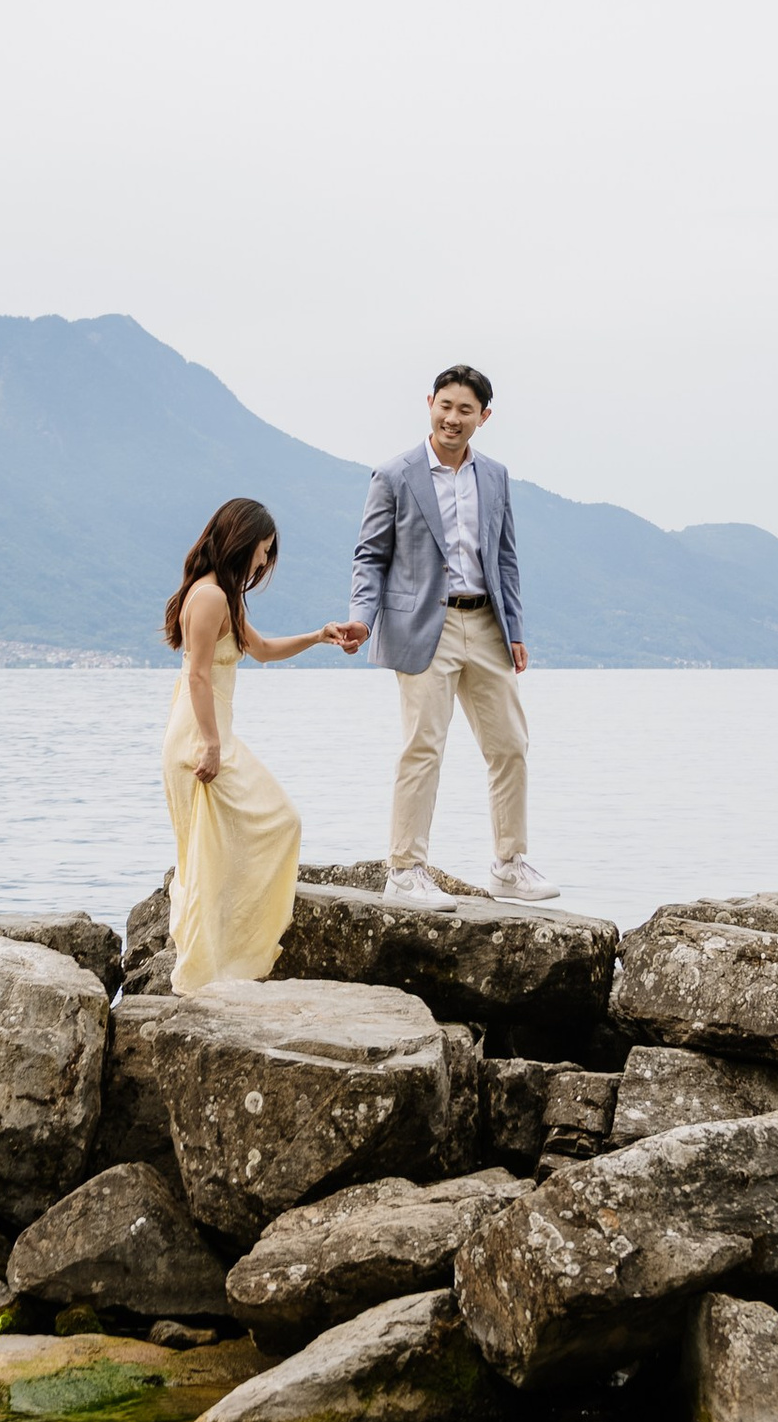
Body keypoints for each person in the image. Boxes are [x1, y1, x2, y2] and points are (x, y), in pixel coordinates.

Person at [338, 364, 556, 907]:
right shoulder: (395, 474)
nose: (452, 418)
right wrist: (362, 619)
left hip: (486, 624)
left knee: (510, 746)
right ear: (429, 403)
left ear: (484, 417)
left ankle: (508, 864)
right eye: (445, 406)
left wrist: (516, 629)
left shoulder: (496, 476)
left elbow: (505, 557)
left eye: (466, 410)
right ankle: (405, 869)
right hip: (421, 626)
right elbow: (370, 556)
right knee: (423, 748)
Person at [161, 496, 353, 993]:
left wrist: (319, 635)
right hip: (201, 737)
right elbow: (199, 677)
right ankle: (209, 969)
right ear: (241, 542)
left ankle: (223, 962)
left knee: (227, 844)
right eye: (264, 550)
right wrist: (209, 745)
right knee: (268, 825)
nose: (265, 562)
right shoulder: (209, 599)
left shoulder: (223, 595)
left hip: (212, 735)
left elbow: (262, 650)